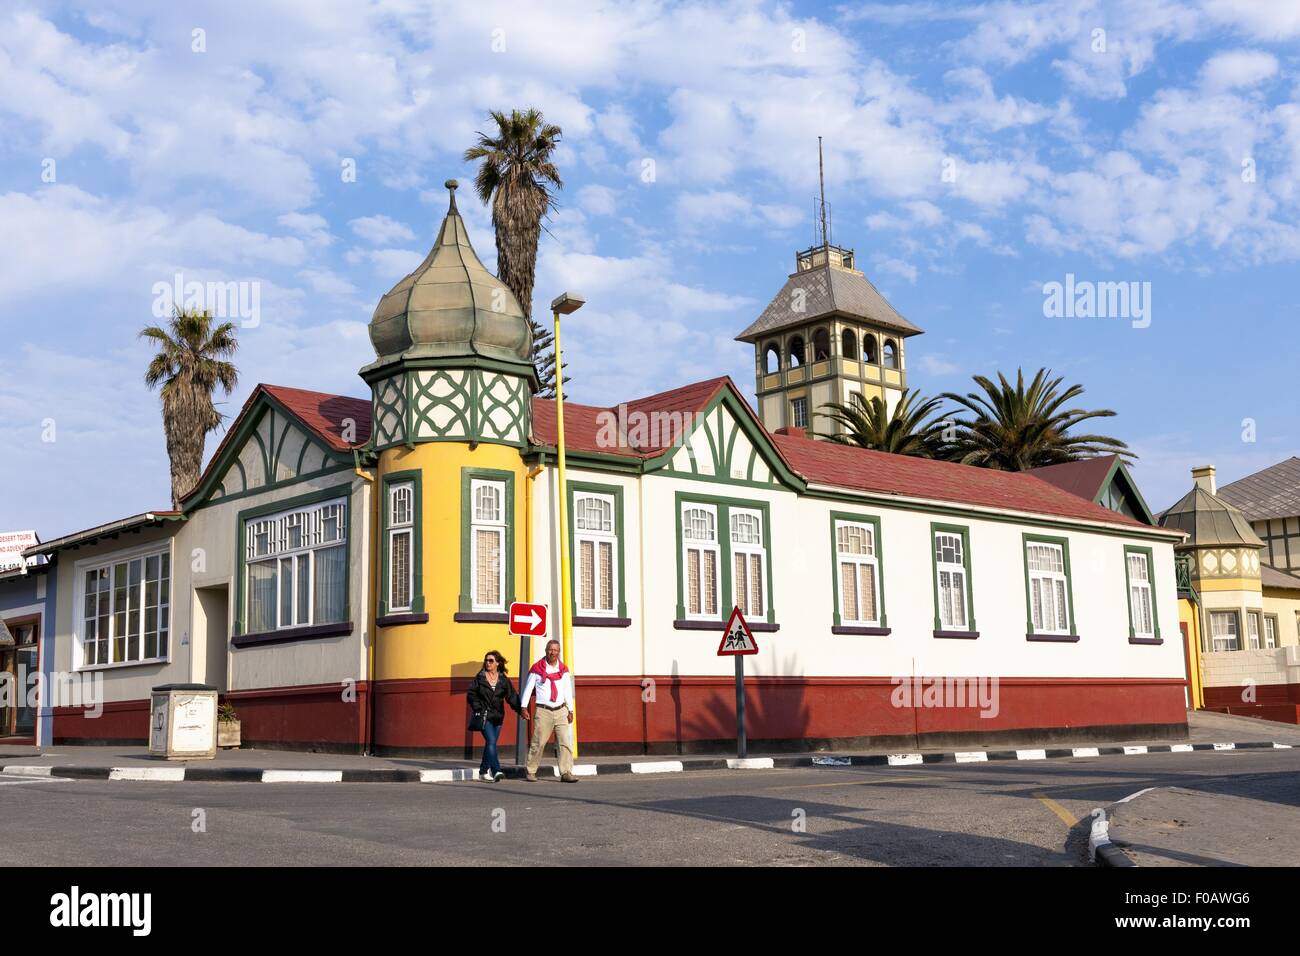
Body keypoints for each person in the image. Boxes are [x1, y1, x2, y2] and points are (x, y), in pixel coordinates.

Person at [520, 639, 578, 783]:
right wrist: (523, 707)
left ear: (559, 652)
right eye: (550, 649)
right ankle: (531, 771)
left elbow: (567, 690)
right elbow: (528, 689)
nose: (552, 652)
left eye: (555, 650)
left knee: (565, 743)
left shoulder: (563, 670)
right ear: (546, 650)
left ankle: (566, 772)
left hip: (561, 711)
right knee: (538, 743)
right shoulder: (537, 669)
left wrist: (570, 710)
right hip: (543, 711)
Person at [466, 649, 523, 782]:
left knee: (490, 744)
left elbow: (512, 696)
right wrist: (477, 706)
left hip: (498, 717)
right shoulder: (480, 677)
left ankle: (483, 771)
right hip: (484, 715)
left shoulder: (503, 679)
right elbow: (471, 694)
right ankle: (496, 770)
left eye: (491, 660)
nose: (488, 663)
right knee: (491, 741)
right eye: (486, 660)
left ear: (497, 663)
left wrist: (521, 710)